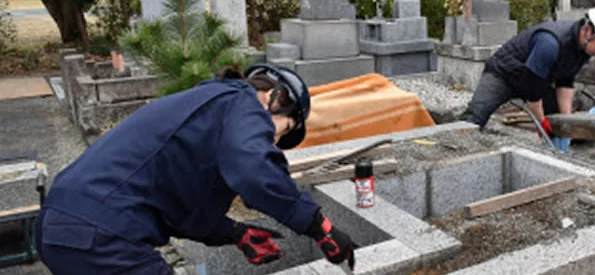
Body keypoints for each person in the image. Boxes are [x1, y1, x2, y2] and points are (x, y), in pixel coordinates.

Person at [35, 64, 357, 274]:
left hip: (60, 228)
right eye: (282, 131)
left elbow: (179, 207)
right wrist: (318, 226)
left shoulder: (208, 106)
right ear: (274, 97)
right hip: (102, 236)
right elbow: (252, 172)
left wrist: (234, 233)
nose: (271, 142)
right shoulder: (243, 104)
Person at [460, 3, 595, 143]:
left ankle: (559, 146)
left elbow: (566, 81)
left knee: (558, 123)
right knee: (475, 118)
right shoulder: (550, 43)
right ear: (589, 31)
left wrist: (567, 121)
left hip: (538, 78)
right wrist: (541, 122)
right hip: (504, 73)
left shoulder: (582, 49)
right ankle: (456, 145)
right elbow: (533, 94)